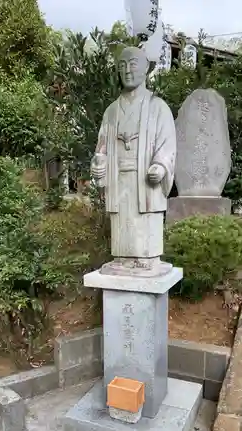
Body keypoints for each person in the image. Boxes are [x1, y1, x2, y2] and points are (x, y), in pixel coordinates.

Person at [90, 46, 176, 276]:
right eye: (122, 66)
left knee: (144, 224)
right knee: (123, 224)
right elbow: (101, 148)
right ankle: (123, 258)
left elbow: (167, 144)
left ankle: (146, 259)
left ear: (146, 68)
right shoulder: (111, 112)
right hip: (119, 179)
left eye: (133, 64)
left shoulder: (158, 107)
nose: (127, 70)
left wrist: (160, 165)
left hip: (145, 181)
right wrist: (100, 165)